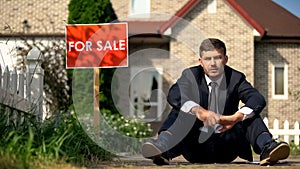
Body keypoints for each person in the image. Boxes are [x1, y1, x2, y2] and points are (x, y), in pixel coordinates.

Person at [141, 38, 290, 166]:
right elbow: (175, 94)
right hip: (195, 147)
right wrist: (199, 111)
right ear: (201, 62)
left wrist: (234, 118)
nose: (213, 63)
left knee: (249, 113)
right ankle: (162, 147)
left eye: (217, 58)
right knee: (181, 110)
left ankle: (268, 148)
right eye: (207, 59)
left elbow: (257, 99)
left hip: (227, 146)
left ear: (225, 59)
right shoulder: (190, 75)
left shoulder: (236, 78)